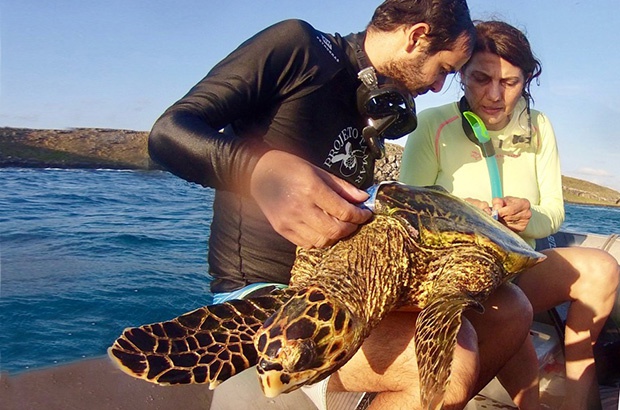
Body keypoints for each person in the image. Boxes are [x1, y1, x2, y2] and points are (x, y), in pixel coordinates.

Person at [148, 2, 535, 408]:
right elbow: (168, 133)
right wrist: (259, 171)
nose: (440, 87)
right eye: (442, 69)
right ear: (417, 36)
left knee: (511, 308)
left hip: (361, 284)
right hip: (269, 291)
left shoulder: (377, 102)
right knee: (447, 364)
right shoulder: (300, 48)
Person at [400, 20, 620, 410]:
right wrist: (463, 215)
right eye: (482, 79)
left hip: (521, 268)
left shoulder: (540, 127)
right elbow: (405, 219)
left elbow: (553, 213)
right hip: (457, 281)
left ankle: (577, 369)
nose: (495, 96)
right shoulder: (432, 126)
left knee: (602, 268)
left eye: (511, 83)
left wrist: (527, 216)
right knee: (512, 315)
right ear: (461, 75)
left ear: (527, 79)